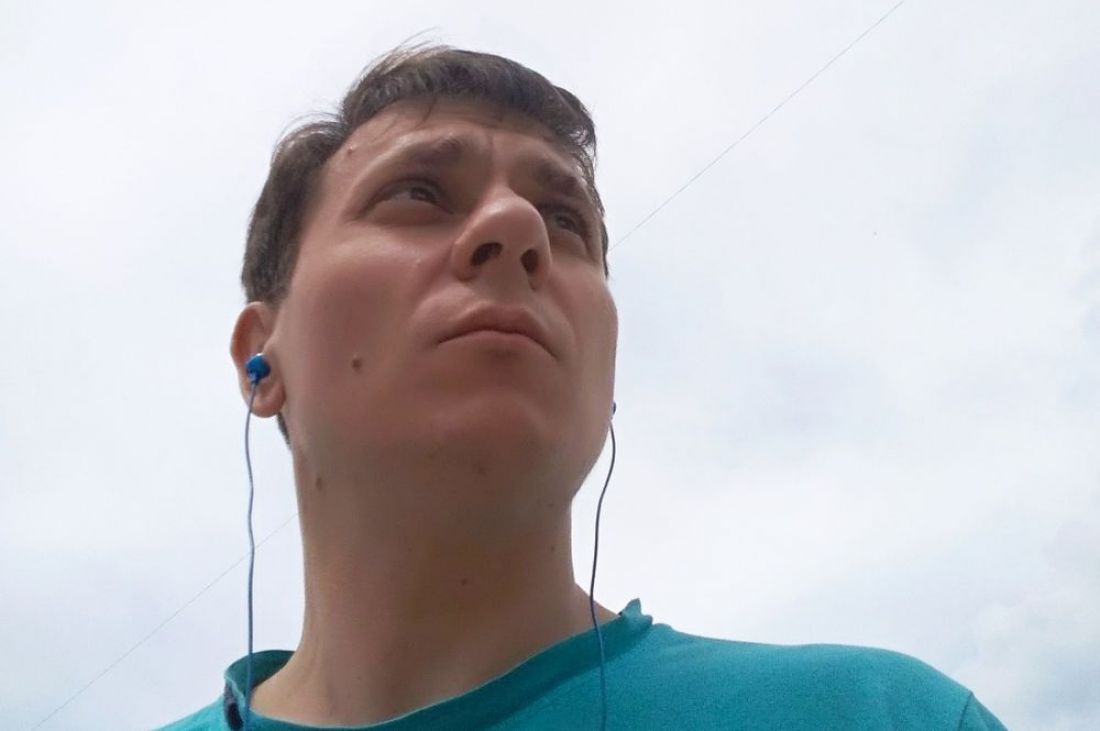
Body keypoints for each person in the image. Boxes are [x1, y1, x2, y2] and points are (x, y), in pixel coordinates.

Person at [158, 42, 1008, 730]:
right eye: (417, 194)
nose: (516, 225)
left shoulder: (884, 717)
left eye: (567, 222)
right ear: (260, 355)